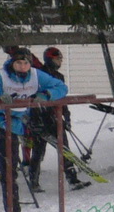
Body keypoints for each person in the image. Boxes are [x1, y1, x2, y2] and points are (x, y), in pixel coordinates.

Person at [0, 47, 67, 212]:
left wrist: (46, 95)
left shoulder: (36, 75)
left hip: (19, 124)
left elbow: (61, 87)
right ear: (12, 62)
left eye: (26, 63)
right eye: (18, 62)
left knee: (16, 169)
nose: (22, 66)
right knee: (9, 172)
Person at [27, 47, 89, 192]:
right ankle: (33, 181)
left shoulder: (59, 77)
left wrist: (66, 116)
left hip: (54, 118)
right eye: (57, 59)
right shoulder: (37, 74)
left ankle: (72, 179)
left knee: (64, 149)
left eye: (60, 59)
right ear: (49, 59)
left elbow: (62, 98)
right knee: (38, 151)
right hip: (38, 117)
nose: (60, 61)